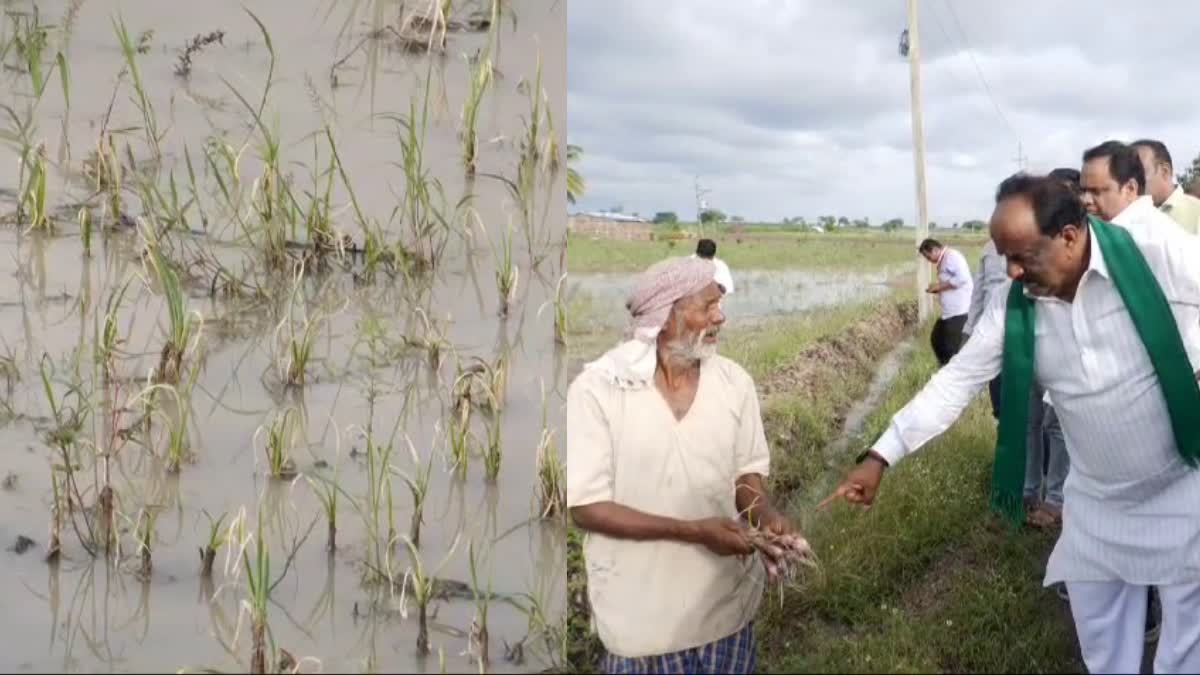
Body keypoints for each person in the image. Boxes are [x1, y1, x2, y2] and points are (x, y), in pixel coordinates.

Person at [823, 173, 1200, 674]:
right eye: (1005, 258)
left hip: (1179, 493)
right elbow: (956, 380)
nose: (1013, 273)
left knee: (1187, 645)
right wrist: (879, 455)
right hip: (1096, 506)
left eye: (1023, 257)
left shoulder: (1154, 258)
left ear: (1069, 236)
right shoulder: (1015, 308)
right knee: (1105, 651)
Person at [567, 255, 795, 674]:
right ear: (665, 316)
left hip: (725, 617)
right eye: (707, 306)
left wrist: (764, 515)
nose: (720, 317)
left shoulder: (734, 383)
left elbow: (747, 477)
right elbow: (586, 506)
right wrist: (693, 531)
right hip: (639, 629)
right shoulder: (599, 390)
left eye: (720, 305)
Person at [918, 238, 973, 366]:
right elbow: (950, 281)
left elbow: (963, 278)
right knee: (937, 338)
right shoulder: (945, 260)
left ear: (935, 249)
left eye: (928, 256)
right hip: (949, 313)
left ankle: (952, 372)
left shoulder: (952, 257)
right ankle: (945, 369)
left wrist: (940, 287)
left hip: (959, 312)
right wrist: (938, 289)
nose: (928, 260)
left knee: (950, 346)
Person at [1132, 139, 1200, 234]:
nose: (1132, 183)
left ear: (1165, 171)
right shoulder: (1125, 218)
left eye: (1139, 173)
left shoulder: (1197, 213)